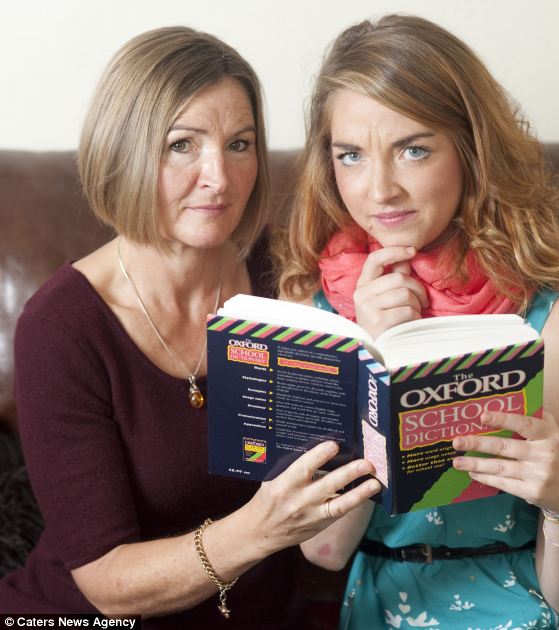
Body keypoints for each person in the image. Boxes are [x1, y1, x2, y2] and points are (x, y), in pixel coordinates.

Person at [0, 27, 381, 626]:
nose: (219, 178)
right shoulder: (61, 328)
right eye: (182, 145)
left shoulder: (287, 272)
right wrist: (257, 531)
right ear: (124, 152)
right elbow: (105, 582)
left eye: (239, 144)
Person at [278, 14, 559, 629]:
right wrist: (369, 354)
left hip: (533, 608)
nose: (380, 190)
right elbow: (326, 549)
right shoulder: (316, 318)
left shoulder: (557, 323)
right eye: (352, 156)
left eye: (413, 150)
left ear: (471, 151)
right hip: (389, 606)